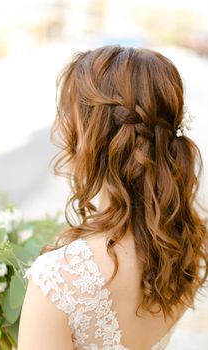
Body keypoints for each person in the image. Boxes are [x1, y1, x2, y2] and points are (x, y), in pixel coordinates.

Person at [17, 46, 208, 350]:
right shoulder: (183, 243)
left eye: (71, 113)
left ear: (95, 135)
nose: (65, 127)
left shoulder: (57, 281)